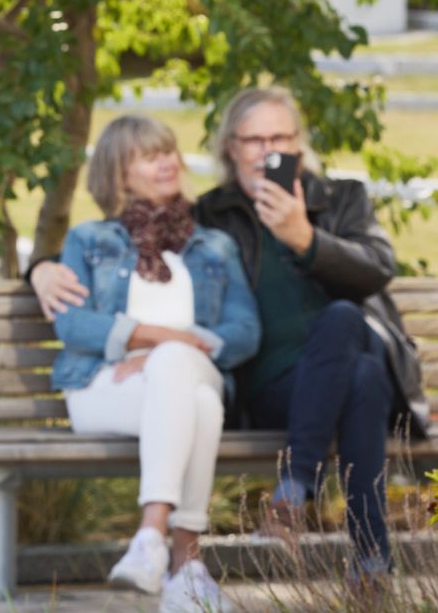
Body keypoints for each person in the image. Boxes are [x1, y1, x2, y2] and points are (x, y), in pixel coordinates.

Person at [32, 87, 428, 580]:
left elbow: (376, 269)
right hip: (277, 389)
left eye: (280, 136)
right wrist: (41, 269)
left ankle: (295, 492)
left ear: (299, 145)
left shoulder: (342, 198)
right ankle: (370, 560)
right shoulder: (213, 217)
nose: (268, 150)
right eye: (254, 139)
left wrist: (303, 237)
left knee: (346, 322)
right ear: (230, 148)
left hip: (347, 351)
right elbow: (129, 235)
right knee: (364, 379)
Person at [48, 115, 258, 611]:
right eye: (149, 155)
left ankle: (149, 538)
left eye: (169, 151)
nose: (167, 161)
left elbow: (245, 332)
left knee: (180, 375)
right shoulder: (89, 240)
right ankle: (187, 565)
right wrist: (160, 339)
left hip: (190, 369)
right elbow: (73, 325)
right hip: (104, 388)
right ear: (119, 174)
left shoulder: (214, 246)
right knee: (201, 402)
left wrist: (171, 352)